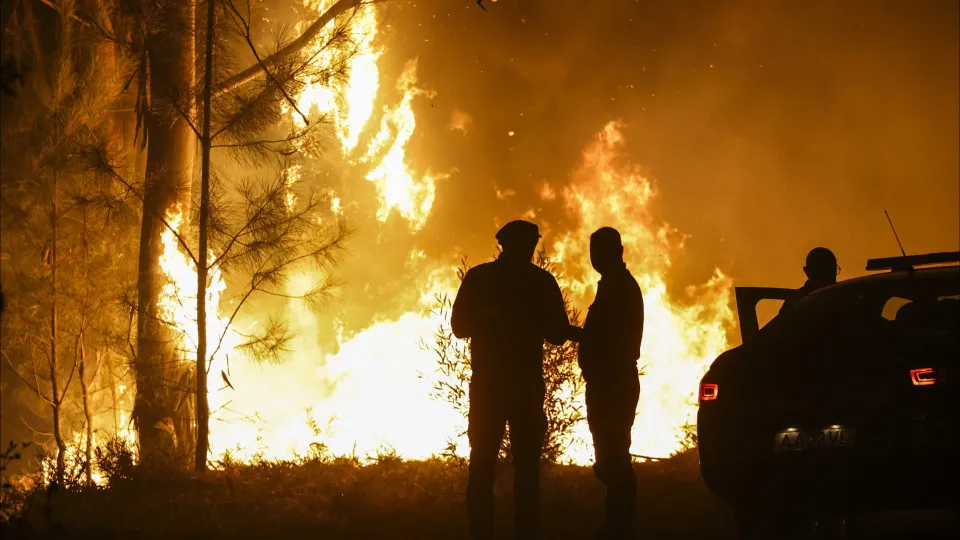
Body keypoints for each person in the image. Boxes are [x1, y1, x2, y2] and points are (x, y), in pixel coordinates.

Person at [451, 219, 573, 540]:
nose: (529, 249)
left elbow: (460, 327)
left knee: (484, 466)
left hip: (492, 388)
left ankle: (482, 532)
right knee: (523, 468)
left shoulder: (481, 278)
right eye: (528, 243)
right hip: (519, 388)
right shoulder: (540, 282)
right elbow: (558, 334)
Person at [569, 227, 644, 539]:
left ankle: (619, 525)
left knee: (613, 457)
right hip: (608, 380)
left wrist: (572, 334)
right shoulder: (613, 285)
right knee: (611, 454)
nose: (595, 257)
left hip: (613, 381)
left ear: (618, 251)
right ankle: (618, 521)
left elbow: (608, 339)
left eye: (600, 250)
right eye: (593, 251)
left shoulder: (619, 288)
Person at [779, 247, 840, 315]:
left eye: (830, 271)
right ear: (807, 271)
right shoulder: (842, 299)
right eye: (821, 271)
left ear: (806, 271)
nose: (827, 278)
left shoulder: (794, 300)